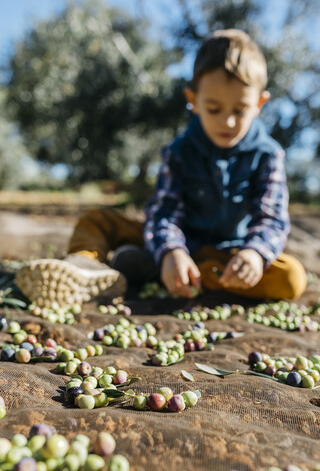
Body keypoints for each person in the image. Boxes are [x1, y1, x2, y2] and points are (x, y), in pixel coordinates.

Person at [16, 29, 306, 308]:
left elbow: (271, 219)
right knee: (97, 221)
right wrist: (171, 251)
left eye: (239, 111)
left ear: (260, 103)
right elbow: (164, 211)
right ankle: (85, 267)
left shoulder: (267, 156)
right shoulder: (179, 151)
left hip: (228, 252)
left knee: (290, 277)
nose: (227, 122)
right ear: (193, 101)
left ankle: (162, 271)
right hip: (179, 241)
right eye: (214, 109)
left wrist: (254, 254)